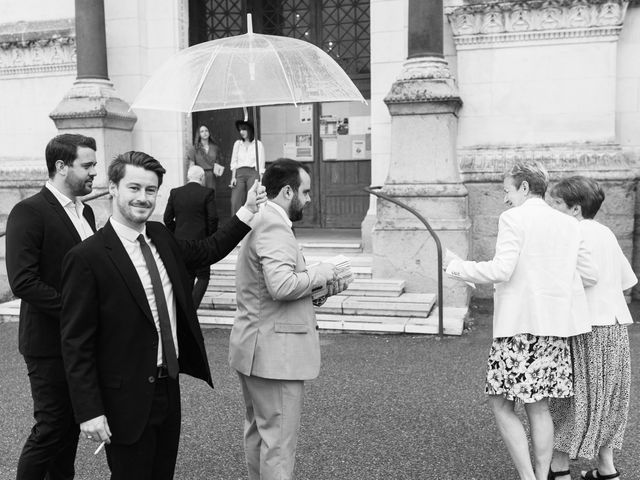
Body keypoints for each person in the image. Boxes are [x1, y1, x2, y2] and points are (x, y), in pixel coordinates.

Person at [59, 151, 266, 480]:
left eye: (151, 190)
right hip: (123, 398)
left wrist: (247, 211)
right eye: (134, 188)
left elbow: (208, 250)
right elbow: (76, 343)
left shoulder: (161, 236)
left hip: (168, 389)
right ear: (113, 188)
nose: (143, 198)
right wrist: (89, 411)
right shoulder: (87, 258)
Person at [443, 161, 598, 480]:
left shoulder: (513, 218)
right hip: (554, 330)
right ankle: (542, 478)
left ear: (525, 188)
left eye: (507, 190)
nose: (504, 198)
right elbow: (590, 275)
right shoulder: (569, 223)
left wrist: (457, 267)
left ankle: (528, 478)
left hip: (518, 330)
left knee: (501, 405)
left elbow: (501, 270)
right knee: (538, 408)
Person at [228, 158, 345, 480]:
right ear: (288, 191)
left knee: (260, 433)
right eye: (305, 192)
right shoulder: (274, 223)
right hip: (274, 354)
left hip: (256, 347)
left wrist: (320, 287)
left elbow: (270, 289)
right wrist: (321, 272)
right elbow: (281, 286)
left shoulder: (260, 219)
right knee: (278, 443)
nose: (309, 199)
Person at [6, 133, 98, 480]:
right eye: (87, 165)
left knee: (70, 429)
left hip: (81, 342)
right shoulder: (28, 211)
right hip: (47, 343)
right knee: (50, 429)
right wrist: (77, 312)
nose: (94, 173)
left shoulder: (86, 210)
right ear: (61, 166)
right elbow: (23, 281)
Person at [547, 177, 636, 480]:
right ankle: (607, 468)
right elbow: (627, 280)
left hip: (584, 326)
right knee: (608, 398)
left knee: (571, 397)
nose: (549, 207)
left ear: (573, 208)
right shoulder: (606, 233)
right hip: (615, 324)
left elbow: (581, 279)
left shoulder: (569, 233)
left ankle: (559, 468)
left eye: (555, 202)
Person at [163, 165, 218, 308]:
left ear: (188, 177)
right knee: (203, 276)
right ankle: (191, 310)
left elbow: (167, 218)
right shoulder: (207, 192)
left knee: (187, 277)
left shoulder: (175, 192)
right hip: (201, 243)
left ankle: (186, 311)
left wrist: (176, 233)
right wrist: (209, 237)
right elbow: (213, 218)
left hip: (181, 243)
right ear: (201, 178)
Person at [230, 120, 265, 215]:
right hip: (239, 173)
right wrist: (233, 177)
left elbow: (261, 164)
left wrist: (260, 180)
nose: (241, 132)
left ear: (250, 130)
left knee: (253, 200)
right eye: (240, 130)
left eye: (244, 129)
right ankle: (236, 225)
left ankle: (253, 224)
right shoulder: (237, 144)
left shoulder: (258, 144)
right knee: (235, 201)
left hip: (253, 173)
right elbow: (234, 162)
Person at [186, 124, 222, 189]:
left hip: (211, 176)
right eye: (202, 131)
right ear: (199, 134)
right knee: (200, 196)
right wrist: (190, 179)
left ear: (209, 133)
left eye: (206, 131)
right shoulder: (194, 148)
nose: (205, 133)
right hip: (198, 176)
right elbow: (191, 165)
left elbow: (217, 162)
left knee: (211, 195)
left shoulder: (215, 148)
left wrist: (218, 172)